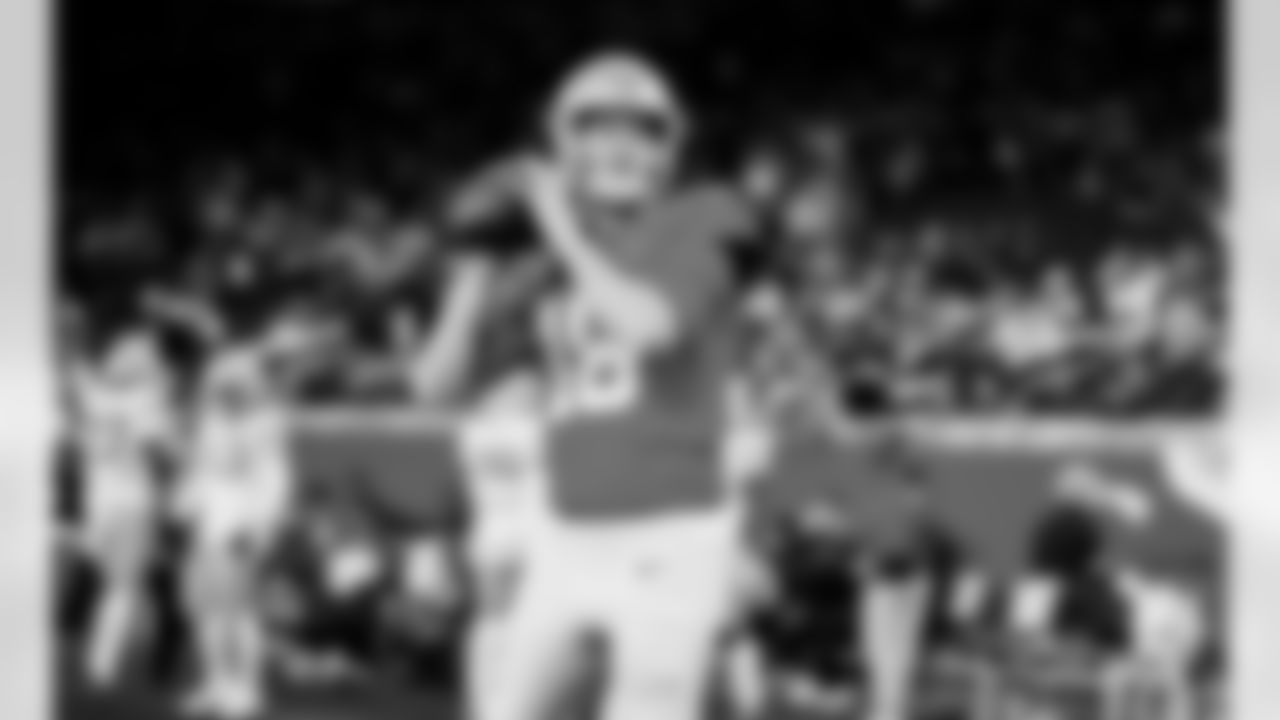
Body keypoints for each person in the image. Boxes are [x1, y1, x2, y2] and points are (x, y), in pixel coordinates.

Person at [436, 50, 779, 720]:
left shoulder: (707, 215)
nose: (619, 144)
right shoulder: (542, 257)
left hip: (671, 532)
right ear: (561, 141)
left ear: (672, 146)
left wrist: (557, 224)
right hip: (563, 532)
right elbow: (441, 387)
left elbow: (651, 327)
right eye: (596, 125)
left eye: (642, 128)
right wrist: (468, 275)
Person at [175, 344, 294, 718]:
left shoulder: (265, 425)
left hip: (238, 527)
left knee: (240, 611)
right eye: (220, 384)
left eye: (233, 384)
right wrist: (183, 505)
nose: (224, 390)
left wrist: (259, 527)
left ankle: (247, 689)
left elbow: (275, 481)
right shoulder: (212, 424)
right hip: (207, 528)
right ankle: (216, 683)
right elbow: (200, 473)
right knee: (207, 611)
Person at [70, 326, 174, 689]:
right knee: (123, 587)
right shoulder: (147, 403)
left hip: (99, 503)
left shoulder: (95, 395)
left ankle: (103, 658)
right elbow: (159, 453)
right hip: (131, 502)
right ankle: (102, 662)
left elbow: (83, 376)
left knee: (122, 584)